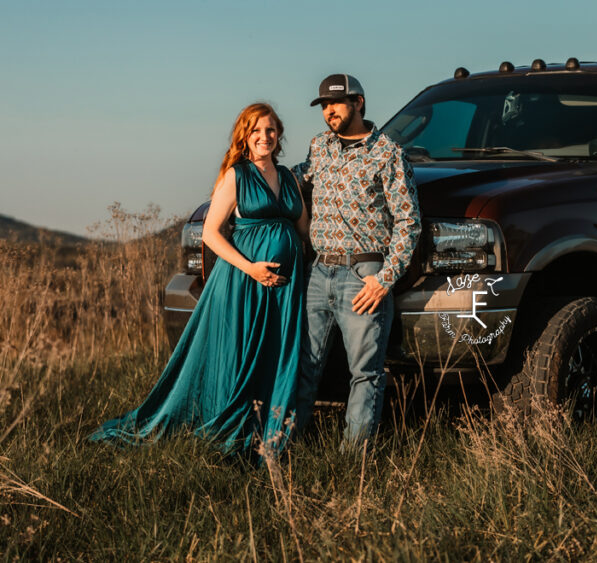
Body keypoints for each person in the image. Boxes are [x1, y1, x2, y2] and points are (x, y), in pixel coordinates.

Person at [90, 103, 308, 459]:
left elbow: (303, 229)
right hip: (243, 280)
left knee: (276, 352)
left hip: (285, 286)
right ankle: (232, 427)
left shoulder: (288, 178)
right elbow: (211, 233)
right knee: (240, 353)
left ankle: (272, 431)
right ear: (245, 136)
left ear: (279, 134)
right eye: (256, 130)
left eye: (270, 130)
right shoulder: (237, 175)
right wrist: (251, 267)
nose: (264, 137)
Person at [293, 73, 420, 446]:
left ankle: (353, 461)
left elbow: (408, 222)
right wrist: (249, 174)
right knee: (304, 367)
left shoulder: (389, 154)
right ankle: (287, 446)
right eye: (323, 106)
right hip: (318, 272)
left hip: (364, 274)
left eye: (336, 103)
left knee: (365, 372)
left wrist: (384, 278)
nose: (329, 111)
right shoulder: (320, 147)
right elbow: (298, 180)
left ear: (359, 103)